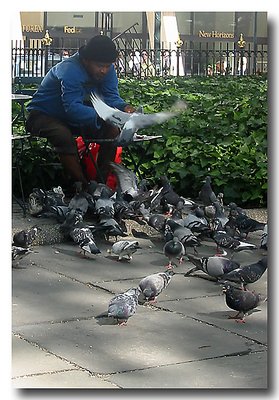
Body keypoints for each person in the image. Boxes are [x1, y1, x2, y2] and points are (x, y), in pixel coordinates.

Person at [26, 35, 135, 190]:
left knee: (112, 131)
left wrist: (125, 108)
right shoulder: (69, 69)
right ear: (86, 60)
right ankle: (82, 187)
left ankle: (100, 186)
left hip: (75, 118)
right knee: (63, 135)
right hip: (43, 116)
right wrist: (104, 116)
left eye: (107, 66)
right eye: (99, 65)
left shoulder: (107, 70)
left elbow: (111, 97)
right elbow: (72, 108)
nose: (104, 70)